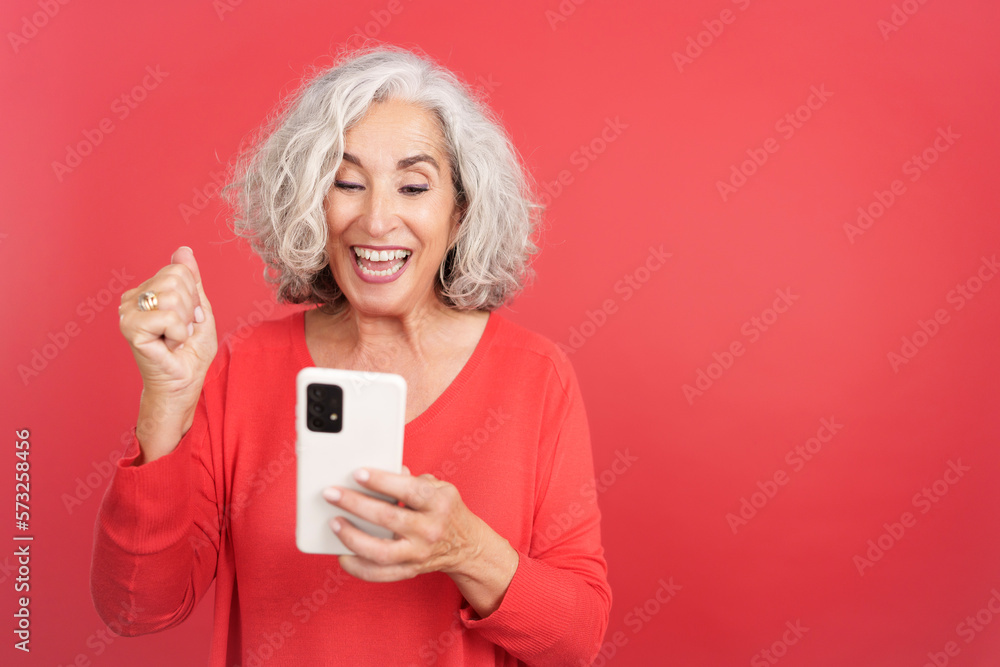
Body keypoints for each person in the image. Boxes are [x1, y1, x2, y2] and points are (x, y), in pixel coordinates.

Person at [92, 44, 611, 666]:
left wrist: (467, 550)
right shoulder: (244, 367)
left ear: (461, 210)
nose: (377, 218)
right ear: (312, 200)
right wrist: (166, 401)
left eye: (414, 186)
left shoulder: (535, 377)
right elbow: (135, 610)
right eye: (347, 183)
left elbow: (577, 640)